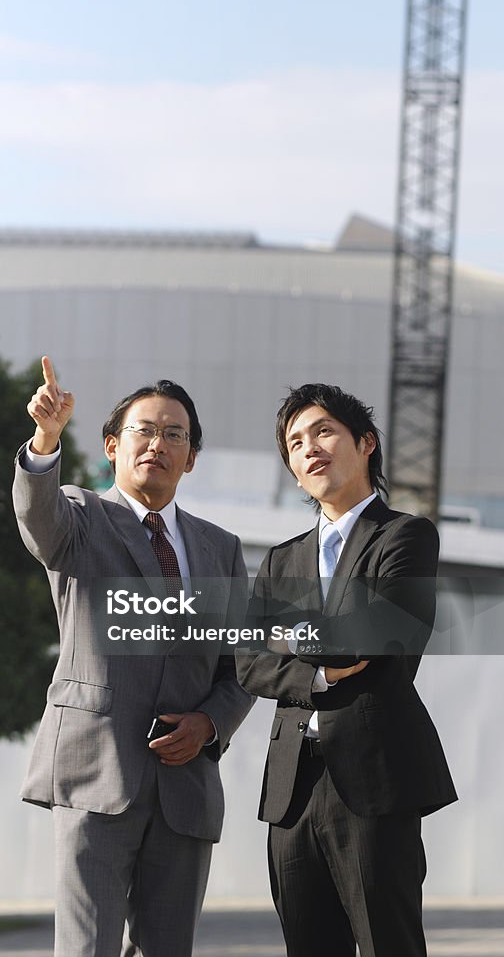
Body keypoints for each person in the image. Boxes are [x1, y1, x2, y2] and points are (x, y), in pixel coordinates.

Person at [13, 356, 252, 957]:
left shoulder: (219, 548)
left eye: (175, 434)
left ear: (191, 457)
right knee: (87, 947)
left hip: (185, 787)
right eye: (144, 431)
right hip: (96, 775)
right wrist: (45, 441)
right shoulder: (80, 519)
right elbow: (37, 518)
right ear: (113, 446)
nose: (158, 444)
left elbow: (242, 665)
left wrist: (210, 724)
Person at [236, 383, 457, 957]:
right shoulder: (281, 560)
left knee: (390, 943)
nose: (309, 447)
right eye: (295, 442)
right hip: (292, 785)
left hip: (374, 776)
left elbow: (381, 632)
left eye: (323, 431)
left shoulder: (405, 536)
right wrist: (322, 673)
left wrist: (288, 635)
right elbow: (247, 662)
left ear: (365, 443)